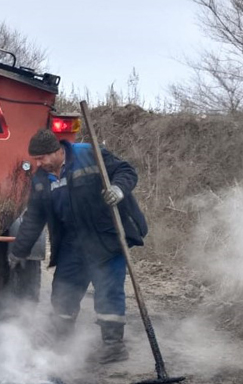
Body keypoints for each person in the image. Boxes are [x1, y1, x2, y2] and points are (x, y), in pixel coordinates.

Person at [8, 128, 148, 364]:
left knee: (108, 290)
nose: (39, 164)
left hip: (107, 236)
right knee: (63, 289)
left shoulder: (90, 154)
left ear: (56, 151)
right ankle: (61, 340)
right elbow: (34, 217)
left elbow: (126, 171)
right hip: (72, 241)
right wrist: (19, 251)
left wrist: (117, 189)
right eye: (36, 160)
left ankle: (113, 346)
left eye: (41, 158)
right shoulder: (42, 179)